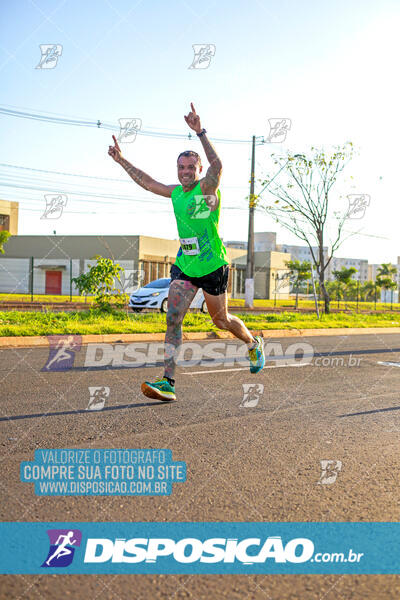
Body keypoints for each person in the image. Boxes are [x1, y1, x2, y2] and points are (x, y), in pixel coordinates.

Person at [108, 103, 265, 401]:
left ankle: (252, 342)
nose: (184, 172)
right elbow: (147, 182)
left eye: (190, 167)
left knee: (221, 321)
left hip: (213, 265)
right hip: (185, 265)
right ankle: (168, 382)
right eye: (181, 168)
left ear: (198, 170)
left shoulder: (207, 190)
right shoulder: (176, 193)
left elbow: (218, 167)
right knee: (173, 318)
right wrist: (122, 161)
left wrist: (201, 133)